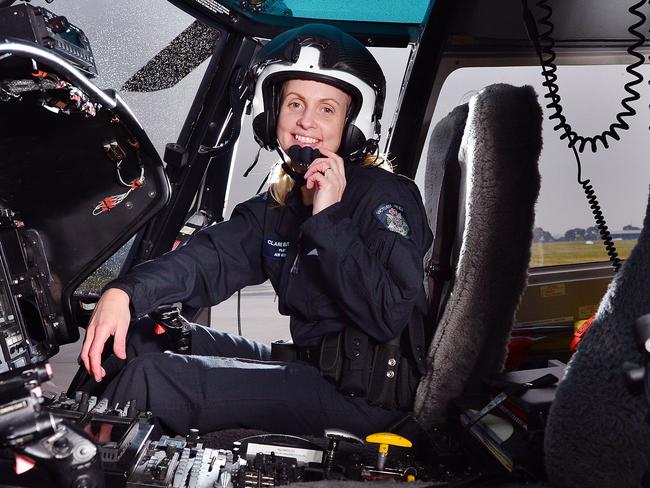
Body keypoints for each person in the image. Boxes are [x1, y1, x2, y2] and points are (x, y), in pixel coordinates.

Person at [79, 23, 433, 437]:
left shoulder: (385, 199)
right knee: (141, 339)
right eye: (295, 104)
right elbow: (206, 262)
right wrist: (125, 293)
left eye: (326, 109)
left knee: (154, 381)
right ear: (272, 114)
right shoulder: (279, 206)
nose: (306, 122)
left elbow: (388, 314)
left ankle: (86, 467)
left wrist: (329, 218)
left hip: (362, 400)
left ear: (351, 124)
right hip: (308, 368)